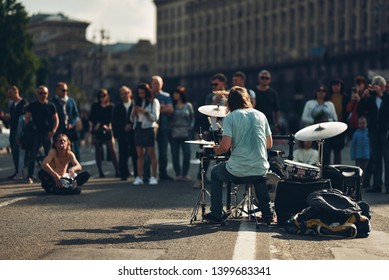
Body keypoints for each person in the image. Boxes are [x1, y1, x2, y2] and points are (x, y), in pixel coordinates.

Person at [202, 86, 274, 224]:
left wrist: (217, 149)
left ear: (230, 102)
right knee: (258, 173)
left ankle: (216, 213)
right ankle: (267, 214)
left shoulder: (231, 117)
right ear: (246, 99)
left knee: (216, 172)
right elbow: (269, 144)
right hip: (261, 167)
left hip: (238, 169)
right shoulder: (261, 115)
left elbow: (225, 147)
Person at [194, 73, 229, 188]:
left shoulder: (229, 95)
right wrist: (215, 100)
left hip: (226, 129)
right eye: (212, 84)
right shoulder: (210, 96)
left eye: (216, 84)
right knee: (207, 154)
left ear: (223, 83)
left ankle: (223, 178)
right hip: (212, 129)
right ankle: (200, 178)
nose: (213, 86)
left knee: (224, 155)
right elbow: (207, 111)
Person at [358, 75, 389, 194]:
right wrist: (363, 97)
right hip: (373, 132)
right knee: (375, 159)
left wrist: (381, 95)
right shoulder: (370, 98)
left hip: (385, 132)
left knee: (387, 160)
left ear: (383, 87)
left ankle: (388, 186)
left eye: (379, 86)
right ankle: (377, 185)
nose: (377, 88)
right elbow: (360, 110)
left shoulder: (387, 97)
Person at [24, 85, 59, 184]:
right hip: (36, 133)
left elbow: (56, 119)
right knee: (33, 155)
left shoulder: (51, 106)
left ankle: (50, 175)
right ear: (37, 94)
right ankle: (30, 175)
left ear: (48, 94)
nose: (43, 95)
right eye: (41, 93)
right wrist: (27, 130)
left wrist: (54, 130)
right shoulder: (33, 105)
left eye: (45, 93)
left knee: (49, 155)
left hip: (47, 133)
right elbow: (27, 118)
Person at [301, 84, 337, 166]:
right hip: (312, 133)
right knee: (313, 155)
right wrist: (315, 121)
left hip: (326, 133)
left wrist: (327, 120)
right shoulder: (309, 103)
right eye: (319, 90)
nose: (321, 92)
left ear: (326, 93)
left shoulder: (330, 104)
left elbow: (335, 119)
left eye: (323, 91)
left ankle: (325, 174)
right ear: (316, 92)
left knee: (326, 155)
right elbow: (304, 118)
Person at [131, 83, 160, 185]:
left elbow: (155, 117)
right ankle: (139, 177)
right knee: (139, 154)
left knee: (151, 153)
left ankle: (154, 177)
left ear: (147, 92)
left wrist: (144, 111)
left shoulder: (154, 102)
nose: (140, 95)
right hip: (138, 128)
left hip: (149, 128)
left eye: (142, 92)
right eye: (139, 93)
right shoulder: (137, 102)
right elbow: (131, 119)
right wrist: (134, 112)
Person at [89, 88, 119, 178]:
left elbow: (112, 119)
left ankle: (117, 170)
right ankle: (100, 172)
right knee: (98, 150)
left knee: (112, 150)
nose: (102, 98)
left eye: (104, 96)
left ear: (107, 96)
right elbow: (91, 118)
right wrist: (93, 127)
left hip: (107, 130)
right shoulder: (95, 106)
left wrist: (107, 125)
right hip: (97, 130)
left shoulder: (111, 107)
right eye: (100, 96)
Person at [151, 75, 174, 181]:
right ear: (151, 84)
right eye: (155, 83)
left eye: (159, 83)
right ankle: (147, 173)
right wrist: (161, 108)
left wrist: (156, 110)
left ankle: (162, 173)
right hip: (150, 127)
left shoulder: (166, 96)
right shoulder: (148, 95)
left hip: (163, 127)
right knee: (149, 151)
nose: (157, 85)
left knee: (163, 152)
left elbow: (170, 110)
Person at [112, 86, 138, 181]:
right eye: (122, 94)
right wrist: (123, 127)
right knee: (123, 154)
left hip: (133, 133)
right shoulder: (117, 106)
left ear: (130, 94)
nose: (124, 95)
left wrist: (131, 125)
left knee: (135, 154)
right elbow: (114, 121)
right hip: (122, 133)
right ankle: (124, 173)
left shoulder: (135, 105)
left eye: (126, 93)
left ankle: (137, 173)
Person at [170, 86, 194, 181]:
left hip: (186, 131)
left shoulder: (188, 105)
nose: (174, 95)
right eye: (174, 94)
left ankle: (184, 174)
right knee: (174, 154)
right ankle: (177, 174)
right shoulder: (172, 105)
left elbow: (192, 118)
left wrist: (190, 127)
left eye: (176, 93)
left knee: (187, 153)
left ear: (180, 95)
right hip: (174, 131)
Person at [51, 82, 80, 161]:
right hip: (58, 128)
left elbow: (76, 115)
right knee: (58, 147)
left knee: (74, 147)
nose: (65, 92)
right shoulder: (53, 102)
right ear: (57, 90)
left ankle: (75, 164)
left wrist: (72, 123)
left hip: (70, 128)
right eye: (63, 90)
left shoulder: (71, 101)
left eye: (66, 90)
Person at [6, 85, 27, 180]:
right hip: (12, 131)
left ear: (15, 92)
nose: (9, 95)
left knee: (21, 153)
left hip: (21, 132)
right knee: (14, 152)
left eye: (10, 93)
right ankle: (17, 171)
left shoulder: (24, 103)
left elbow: (26, 118)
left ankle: (21, 172)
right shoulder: (11, 105)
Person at [327, 79, 350, 164]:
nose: (336, 87)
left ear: (341, 86)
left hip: (340, 126)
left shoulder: (345, 98)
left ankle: (337, 170)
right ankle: (327, 170)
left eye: (338, 85)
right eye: (334, 85)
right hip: (329, 126)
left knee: (337, 150)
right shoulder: (328, 97)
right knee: (327, 150)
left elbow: (347, 112)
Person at [350, 116, 370, 182]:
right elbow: (353, 145)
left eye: (363, 123)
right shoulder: (356, 133)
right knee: (359, 170)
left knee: (366, 169)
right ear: (358, 124)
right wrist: (353, 156)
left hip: (366, 155)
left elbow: (370, 145)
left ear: (366, 124)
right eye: (360, 123)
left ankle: (365, 181)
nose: (362, 125)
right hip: (358, 156)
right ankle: (359, 181)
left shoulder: (368, 133)